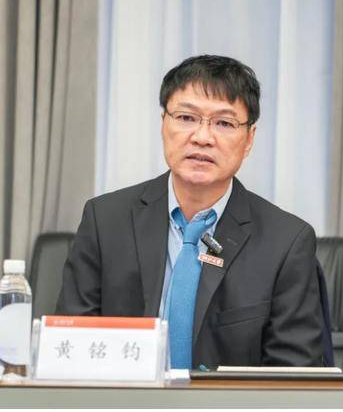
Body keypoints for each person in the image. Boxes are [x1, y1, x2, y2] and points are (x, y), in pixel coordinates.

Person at [56, 55, 325, 369]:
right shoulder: (105, 221)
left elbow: (293, 377)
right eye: (186, 118)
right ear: (163, 124)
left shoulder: (286, 242)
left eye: (224, 123)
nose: (202, 137)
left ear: (249, 139)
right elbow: (70, 352)